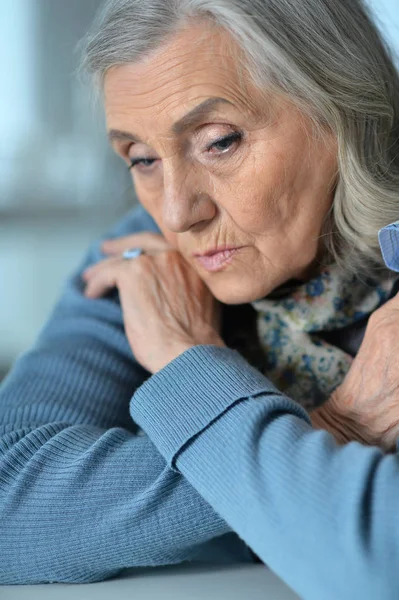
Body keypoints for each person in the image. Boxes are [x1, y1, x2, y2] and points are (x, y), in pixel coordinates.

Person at [1, 0, 399, 597]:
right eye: (142, 159)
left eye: (219, 142)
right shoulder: (144, 263)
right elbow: (11, 502)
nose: (176, 212)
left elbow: (376, 563)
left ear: (341, 112)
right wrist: (335, 427)